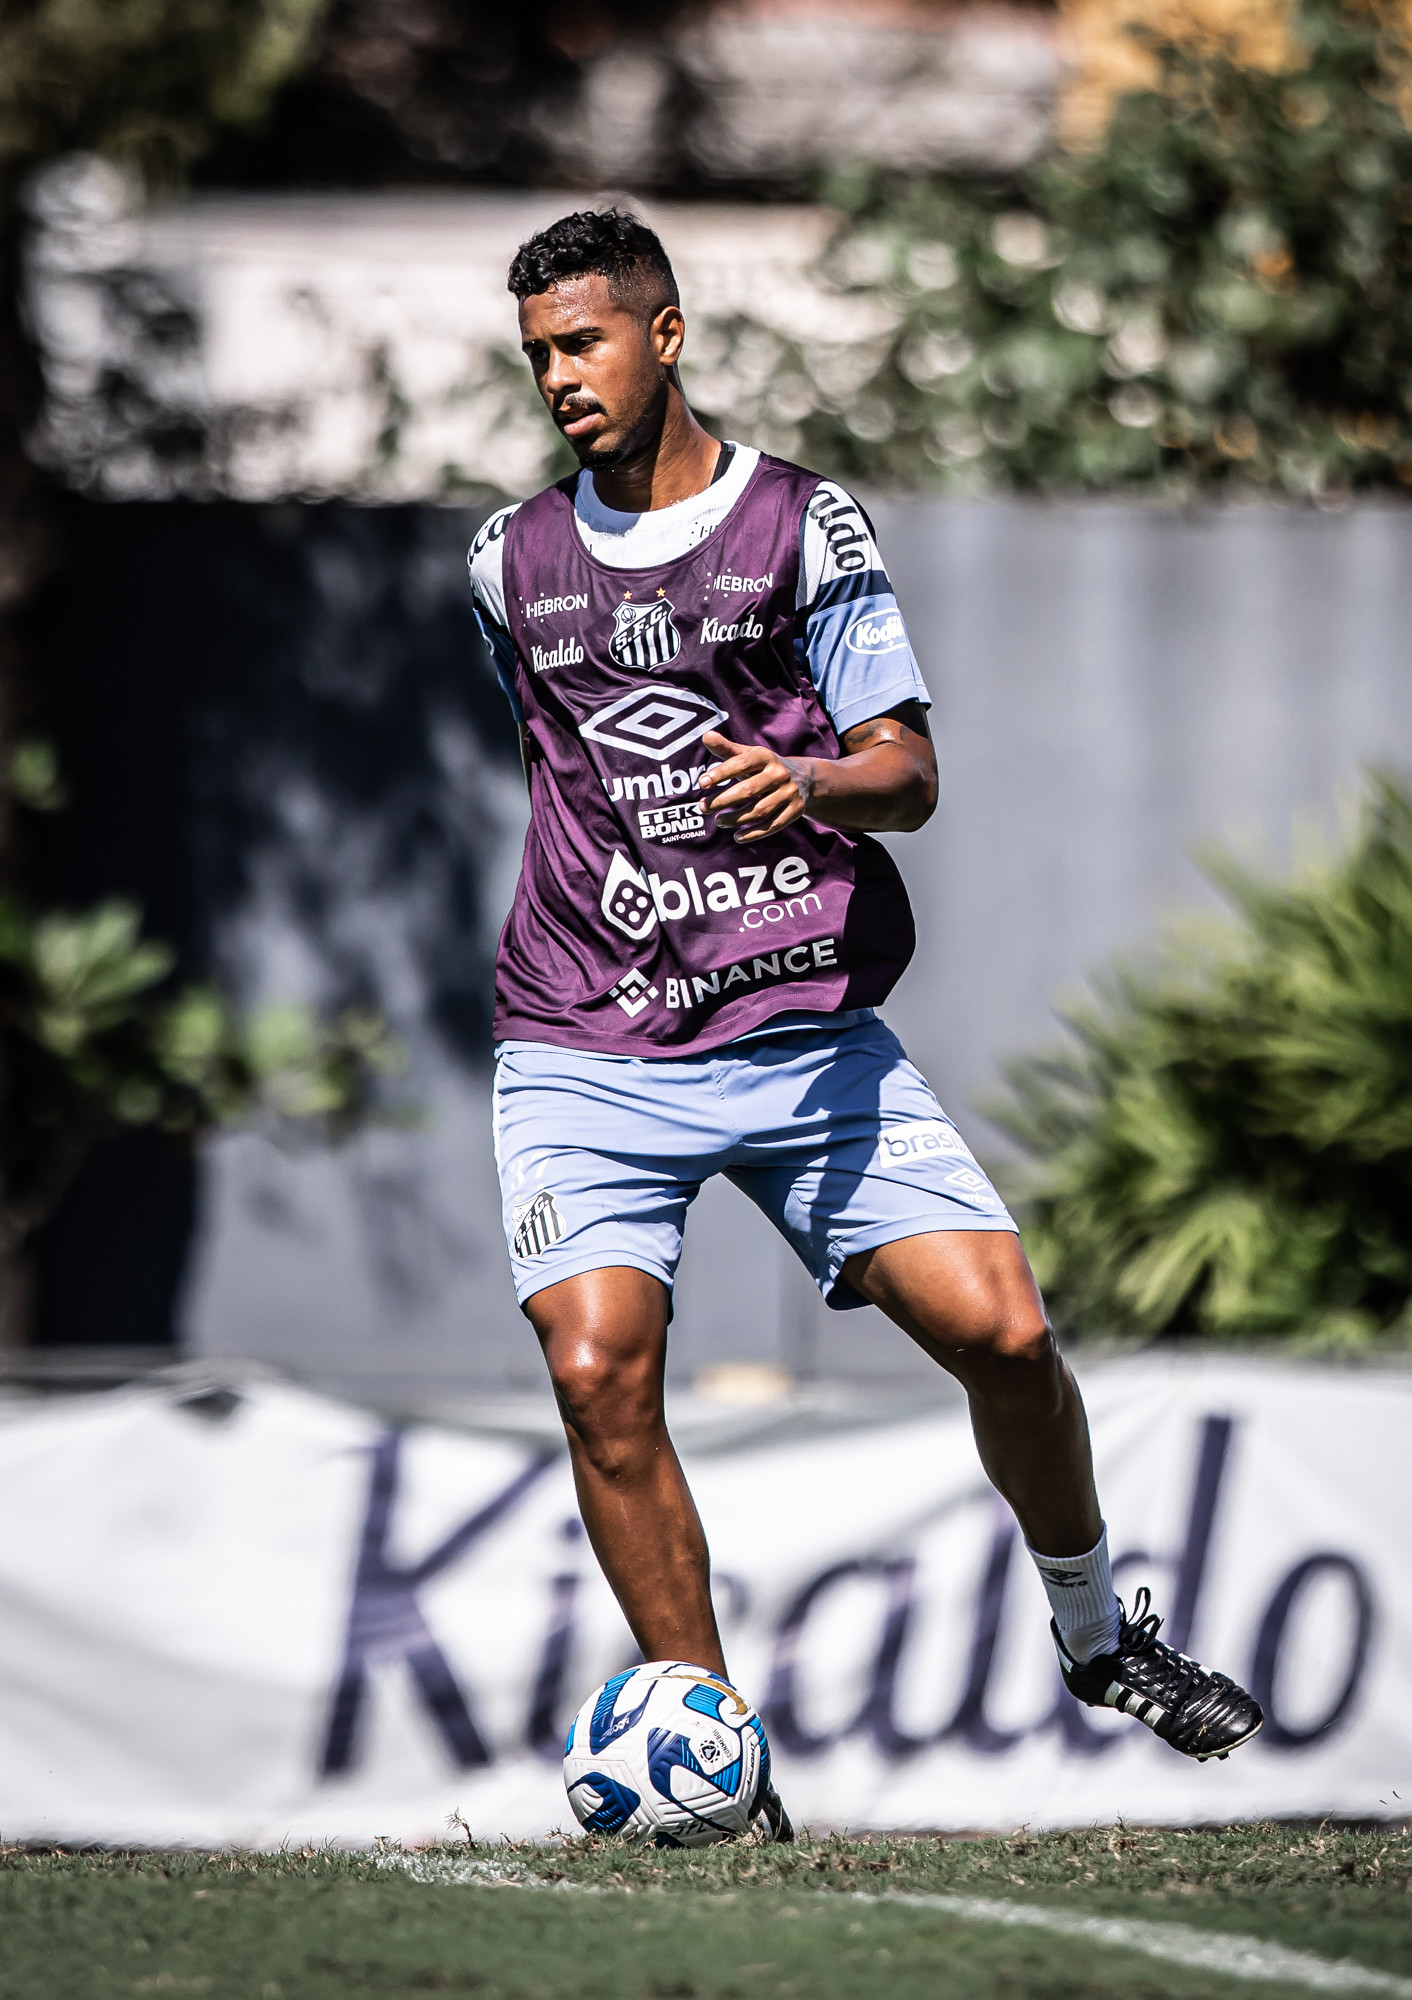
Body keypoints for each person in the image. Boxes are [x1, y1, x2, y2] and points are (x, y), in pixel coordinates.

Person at [470, 208, 1262, 1837]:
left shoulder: (801, 527)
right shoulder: (506, 564)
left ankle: (1100, 1638)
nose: (561, 378)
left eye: (585, 342)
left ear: (665, 334)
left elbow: (909, 772)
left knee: (1007, 1336)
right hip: (584, 1042)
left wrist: (810, 780)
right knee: (599, 1369)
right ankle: (721, 1762)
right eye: (539, 353)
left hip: (798, 1032)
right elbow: (557, 765)